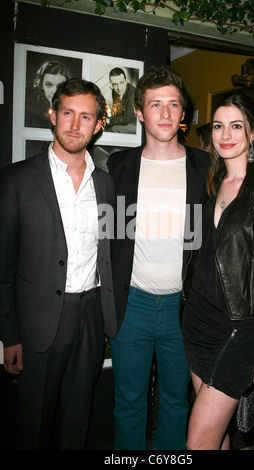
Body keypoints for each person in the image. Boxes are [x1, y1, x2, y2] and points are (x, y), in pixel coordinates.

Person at [0, 77, 117, 450]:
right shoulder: (16, 180)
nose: (75, 125)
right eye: (68, 113)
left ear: (98, 125)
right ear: (53, 115)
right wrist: (10, 335)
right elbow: (2, 265)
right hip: (39, 321)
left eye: (86, 117)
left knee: (78, 419)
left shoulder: (107, 185)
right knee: (33, 422)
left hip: (91, 316)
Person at [182, 92, 254, 450]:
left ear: (252, 135)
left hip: (240, 331)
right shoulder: (211, 186)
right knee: (217, 435)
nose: (225, 134)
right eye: (218, 126)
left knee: (198, 441)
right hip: (198, 322)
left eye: (236, 125)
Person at [107, 64, 209, 450]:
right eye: (155, 105)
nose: (164, 114)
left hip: (184, 309)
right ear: (139, 112)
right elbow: (110, 236)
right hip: (131, 304)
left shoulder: (205, 167)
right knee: (128, 403)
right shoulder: (119, 166)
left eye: (173, 105)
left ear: (184, 113)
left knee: (176, 403)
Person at [25, 60, 71, 128]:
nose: (55, 91)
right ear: (41, 85)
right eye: (49, 85)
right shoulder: (32, 112)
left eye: (60, 86)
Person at [105, 67, 136, 133]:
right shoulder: (114, 91)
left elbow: (127, 119)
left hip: (136, 123)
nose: (119, 88)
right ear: (111, 84)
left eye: (121, 83)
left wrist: (110, 120)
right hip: (124, 119)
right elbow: (116, 110)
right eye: (115, 84)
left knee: (114, 129)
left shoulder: (133, 93)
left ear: (126, 81)